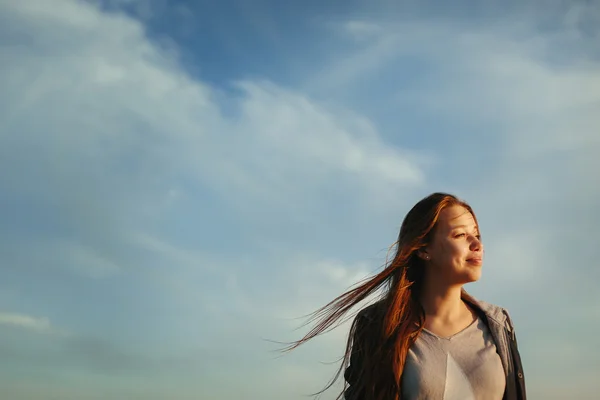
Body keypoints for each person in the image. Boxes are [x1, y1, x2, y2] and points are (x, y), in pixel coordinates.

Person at [286, 192, 526, 400]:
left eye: (477, 235)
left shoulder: (498, 324)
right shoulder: (379, 325)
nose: (477, 244)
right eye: (460, 235)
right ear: (424, 249)